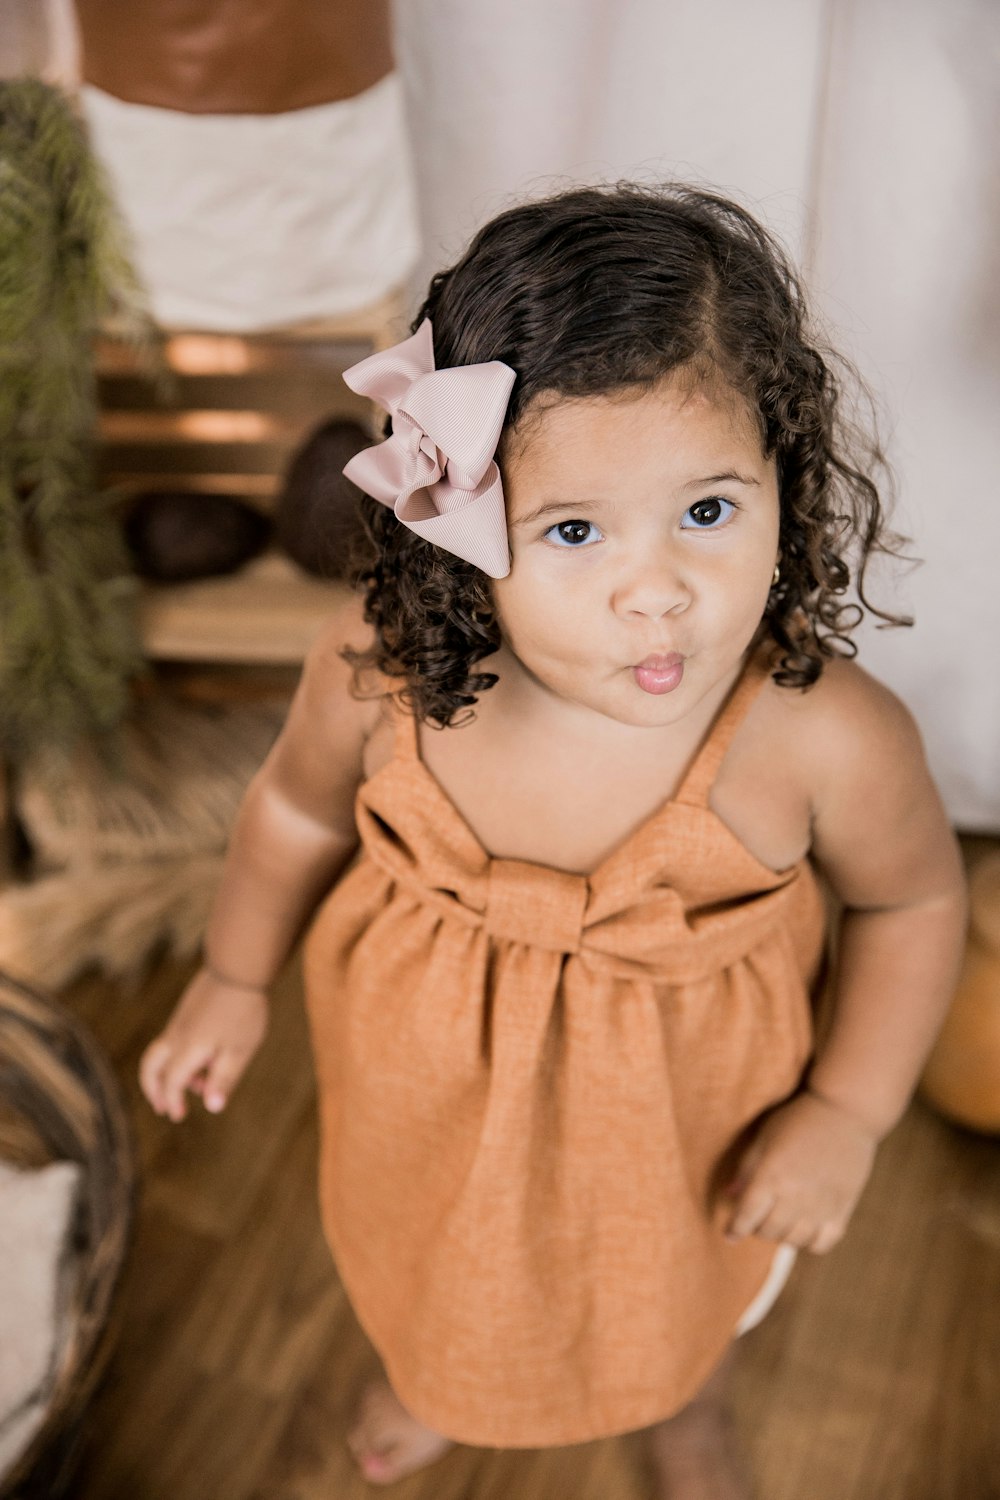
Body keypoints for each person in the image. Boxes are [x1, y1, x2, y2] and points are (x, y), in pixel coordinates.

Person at [138, 183, 968, 1497]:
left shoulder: (818, 734)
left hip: (695, 1118)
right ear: (464, 539)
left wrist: (845, 1112)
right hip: (428, 1088)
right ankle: (435, 1375)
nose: (660, 592)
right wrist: (234, 976)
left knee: (685, 1275)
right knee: (431, 1253)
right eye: (574, 531)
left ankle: (686, 1398)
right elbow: (296, 808)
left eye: (708, 510)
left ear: (784, 478)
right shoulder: (382, 677)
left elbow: (917, 904)